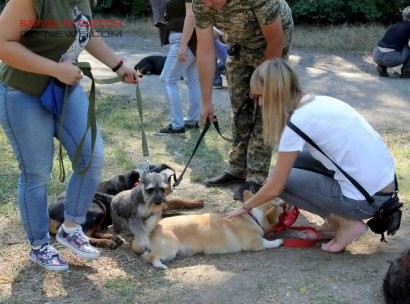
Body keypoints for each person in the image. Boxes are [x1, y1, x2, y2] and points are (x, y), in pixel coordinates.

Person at [0, 0, 140, 271]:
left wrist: (118, 65)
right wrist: (55, 69)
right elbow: (3, 43)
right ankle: (40, 245)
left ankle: (71, 226)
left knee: (90, 155)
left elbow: (85, 30)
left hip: (64, 88)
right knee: (36, 172)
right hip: (22, 92)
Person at [226, 59, 397, 253]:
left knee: (282, 181)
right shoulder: (320, 102)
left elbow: (275, 187)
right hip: (384, 188)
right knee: (291, 164)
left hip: (367, 201)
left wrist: (245, 207)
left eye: (259, 96)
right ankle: (334, 224)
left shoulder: (297, 123)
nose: (260, 103)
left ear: (273, 94)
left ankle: (346, 223)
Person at [192, 0, 294, 201]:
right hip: (239, 43)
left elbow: (276, 40)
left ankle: (256, 176)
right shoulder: (201, 2)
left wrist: (263, 85)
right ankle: (237, 168)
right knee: (238, 105)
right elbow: (205, 51)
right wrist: (206, 102)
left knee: (264, 108)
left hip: (272, 42)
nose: (206, 3)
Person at [154, 0, 201, 135]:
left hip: (184, 40)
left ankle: (177, 126)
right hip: (193, 40)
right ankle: (192, 120)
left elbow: (191, 15)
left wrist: (183, 45)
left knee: (167, 80)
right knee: (192, 80)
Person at [373, 6, 410, 78]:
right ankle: (407, 72)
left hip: (377, 55)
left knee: (391, 44)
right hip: (390, 58)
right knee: (408, 45)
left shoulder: (395, 26)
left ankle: (382, 67)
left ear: (404, 16)